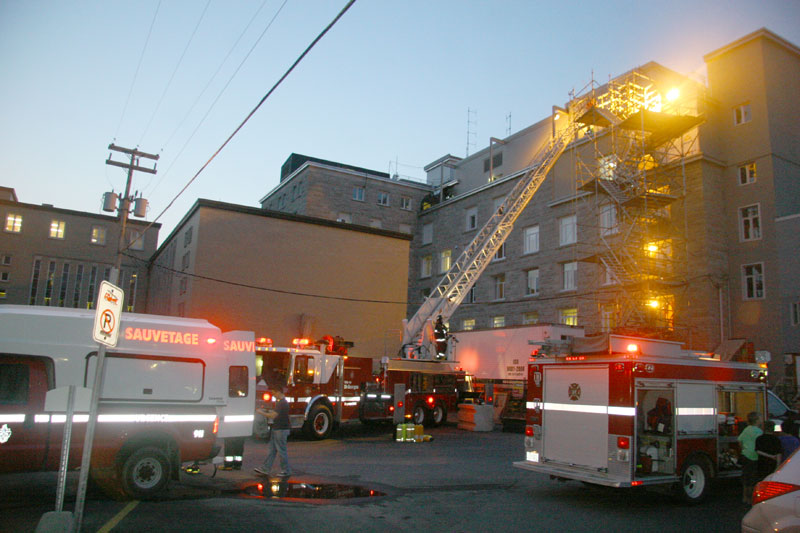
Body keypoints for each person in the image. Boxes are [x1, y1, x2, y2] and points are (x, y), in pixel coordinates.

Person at [254, 388, 291, 477]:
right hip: (278, 429)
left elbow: (273, 415)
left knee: (281, 451)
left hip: (280, 429)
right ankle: (265, 468)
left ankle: (286, 470)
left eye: (274, 393)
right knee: (272, 450)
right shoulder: (282, 402)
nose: (273, 395)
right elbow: (275, 413)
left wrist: (260, 412)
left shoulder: (281, 403)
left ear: (279, 392)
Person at [738, 411, 763, 505]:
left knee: (746, 477)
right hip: (754, 456)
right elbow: (760, 443)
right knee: (753, 478)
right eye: (760, 418)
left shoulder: (746, 429)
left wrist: (743, 449)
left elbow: (740, 440)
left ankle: (745, 497)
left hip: (745, 455)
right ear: (757, 420)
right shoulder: (758, 431)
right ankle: (751, 498)